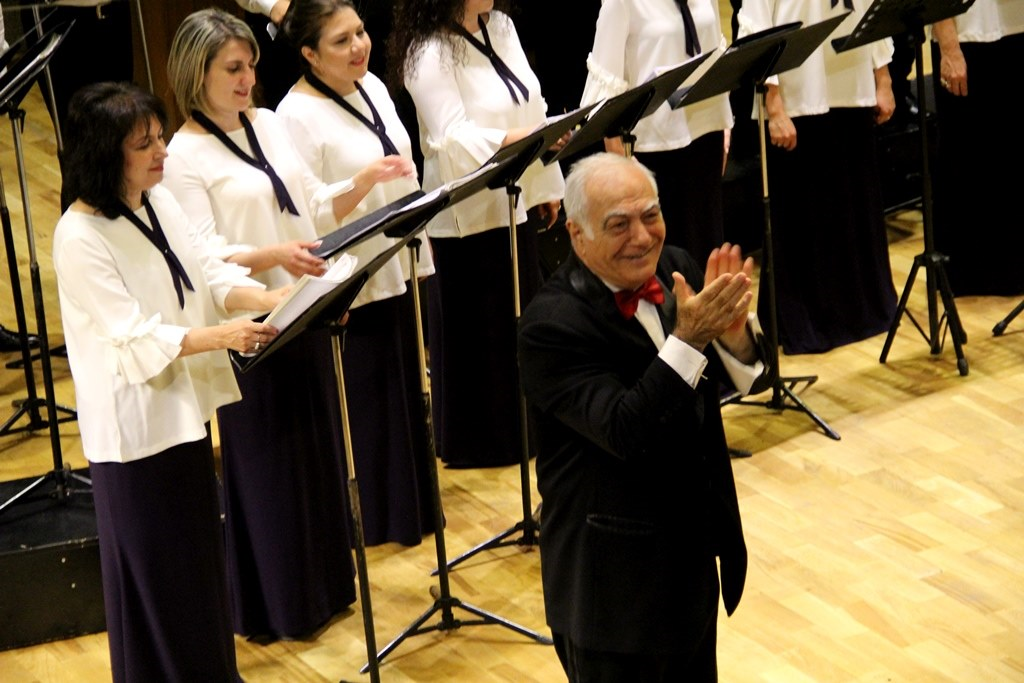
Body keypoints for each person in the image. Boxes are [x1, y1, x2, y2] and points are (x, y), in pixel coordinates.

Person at [162, 7, 413, 641]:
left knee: (317, 449)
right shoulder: (183, 155)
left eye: (249, 66)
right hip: (252, 320)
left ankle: (326, 587)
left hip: (303, 305)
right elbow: (202, 252)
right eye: (233, 69)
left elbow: (309, 204)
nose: (248, 79)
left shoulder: (268, 124)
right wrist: (274, 261)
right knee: (271, 462)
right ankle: (278, 603)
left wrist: (362, 183)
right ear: (198, 74)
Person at [52, 81, 286, 681]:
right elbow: (133, 335)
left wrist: (275, 297)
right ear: (106, 152)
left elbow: (205, 272)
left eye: (160, 138)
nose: (162, 152)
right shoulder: (78, 235)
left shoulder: (154, 199)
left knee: (198, 574)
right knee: (160, 585)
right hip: (135, 438)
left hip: (182, 415)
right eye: (144, 144)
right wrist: (226, 336)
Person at [517, 152, 770, 681]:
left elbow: (748, 378)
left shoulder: (676, 264)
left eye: (650, 215)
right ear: (577, 234)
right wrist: (690, 337)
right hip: (612, 594)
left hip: (690, 568)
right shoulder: (550, 326)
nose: (642, 236)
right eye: (619, 224)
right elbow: (625, 430)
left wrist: (734, 336)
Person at [276, 0, 436, 546]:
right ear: (308, 55)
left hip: (398, 256)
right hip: (353, 269)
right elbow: (307, 210)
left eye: (361, 32)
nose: (359, 46)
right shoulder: (293, 115)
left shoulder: (374, 88)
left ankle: (413, 509)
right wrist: (363, 181)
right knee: (369, 397)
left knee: (405, 385)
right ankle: (378, 518)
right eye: (342, 41)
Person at [388, 0, 565, 468]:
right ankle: (482, 442)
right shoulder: (425, 52)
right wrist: (529, 140)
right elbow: (453, 138)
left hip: (514, 196)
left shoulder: (501, 26)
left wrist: (543, 178)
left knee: (521, 317)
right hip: (464, 217)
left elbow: (532, 101)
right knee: (480, 332)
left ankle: (526, 431)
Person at [736, 0, 898, 354]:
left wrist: (882, 79)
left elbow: (872, 12)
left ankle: (862, 311)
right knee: (804, 213)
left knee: (853, 202)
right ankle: (806, 321)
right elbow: (756, 26)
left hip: (851, 84)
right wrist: (773, 105)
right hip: (798, 96)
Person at [580, 0, 733, 264]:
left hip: (706, 135)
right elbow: (603, 86)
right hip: (655, 148)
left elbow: (715, 54)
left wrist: (725, 125)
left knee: (707, 251)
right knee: (667, 261)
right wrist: (621, 165)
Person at [931, 0, 1024, 297]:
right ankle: (970, 272)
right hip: (968, 39)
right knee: (968, 158)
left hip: (1018, 29)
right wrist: (949, 49)